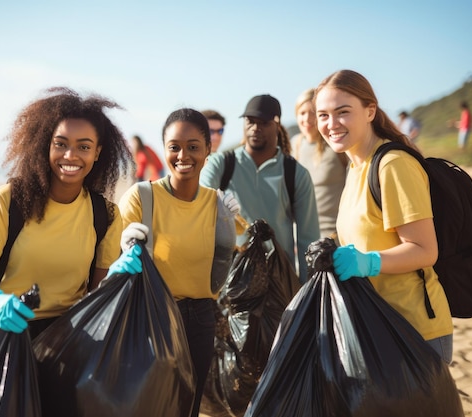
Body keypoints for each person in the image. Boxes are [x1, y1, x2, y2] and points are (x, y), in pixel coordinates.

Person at [0, 87, 134, 345]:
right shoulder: (9, 200)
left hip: (65, 338)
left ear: (97, 152)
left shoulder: (106, 215)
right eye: (61, 144)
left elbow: (98, 296)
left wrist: (119, 279)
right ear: (45, 145)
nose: (70, 155)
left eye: (84, 147)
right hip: (1, 332)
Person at [313, 69, 453, 363]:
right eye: (322, 115)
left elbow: (425, 250)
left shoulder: (392, 165)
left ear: (370, 111)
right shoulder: (354, 167)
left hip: (415, 331)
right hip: (376, 327)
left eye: (342, 112)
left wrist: (367, 262)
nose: (331, 124)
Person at [111, 108, 238, 417]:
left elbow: (239, 256)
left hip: (201, 319)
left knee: (188, 407)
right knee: (149, 406)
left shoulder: (218, 203)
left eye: (194, 146)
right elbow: (111, 261)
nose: (184, 155)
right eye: (174, 147)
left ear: (208, 150)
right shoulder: (141, 196)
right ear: (164, 148)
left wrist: (232, 225)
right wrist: (123, 248)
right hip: (151, 317)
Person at [200, 94, 320, 282]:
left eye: (263, 122)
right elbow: (197, 203)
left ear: (277, 125)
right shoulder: (221, 164)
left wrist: (308, 292)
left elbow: (308, 240)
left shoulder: (296, 174)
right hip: (230, 282)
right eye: (250, 121)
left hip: (279, 285)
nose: (255, 128)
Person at [291, 88, 348, 242]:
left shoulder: (337, 146)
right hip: (303, 241)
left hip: (335, 238)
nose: (307, 119)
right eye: (302, 113)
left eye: (313, 113)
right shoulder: (293, 145)